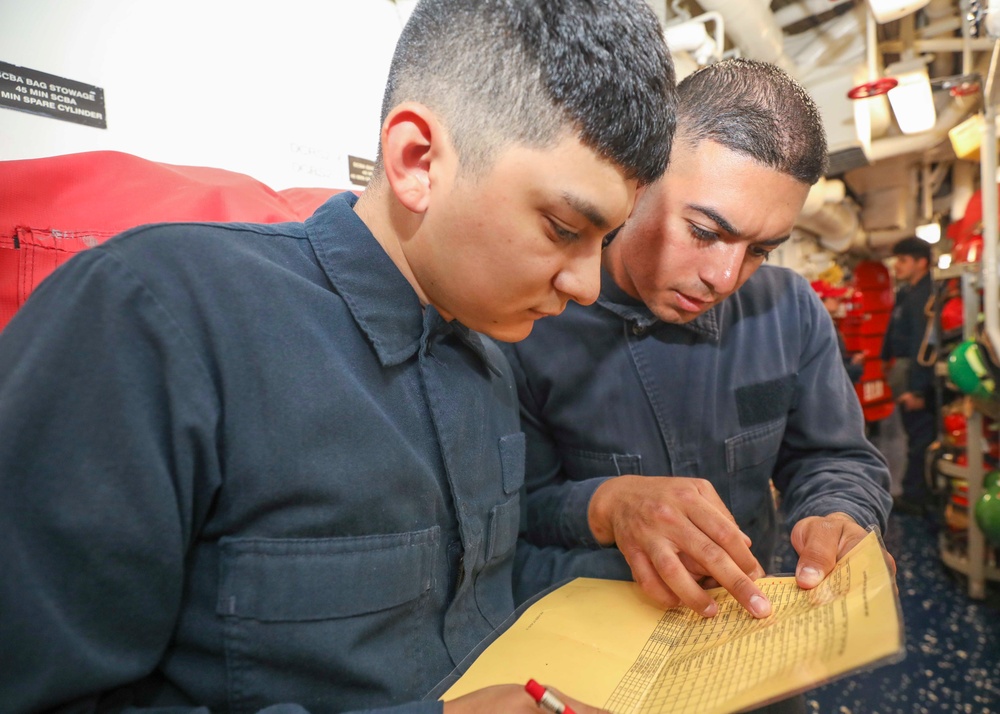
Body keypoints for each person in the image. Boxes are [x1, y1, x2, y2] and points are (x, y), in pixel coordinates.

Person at [0, 2, 677, 713]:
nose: (588, 283)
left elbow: (476, 587)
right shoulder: (155, 319)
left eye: (603, 240)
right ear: (418, 161)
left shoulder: (488, 349)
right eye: (564, 228)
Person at [507, 59, 893, 636]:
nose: (726, 276)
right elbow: (508, 519)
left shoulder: (788, 309)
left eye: (761, 249)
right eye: (706, 233)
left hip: (745, 631)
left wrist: (839, 514)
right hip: (597, 638)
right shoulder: (529, 319)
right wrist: (607, 505)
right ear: (637, 179)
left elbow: (832, 456)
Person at [881, 236, 936, 515]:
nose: (897, 266)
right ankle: (916, 491)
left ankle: (917, 497)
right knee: (913, 434)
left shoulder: (926, 295)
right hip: (905, 370)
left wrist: (917, 390)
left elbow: (922, 345)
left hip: (916, 375)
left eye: (903, 260)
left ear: (921, 262)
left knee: (920, 437)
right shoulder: (909, 293)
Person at [811, 279, 865, 384]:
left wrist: (850, 361)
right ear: (820, 301)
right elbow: (827, 368)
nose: (838, 299)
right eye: (833, 297)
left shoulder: (824, 324)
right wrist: (854, 369)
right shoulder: (820, 328)